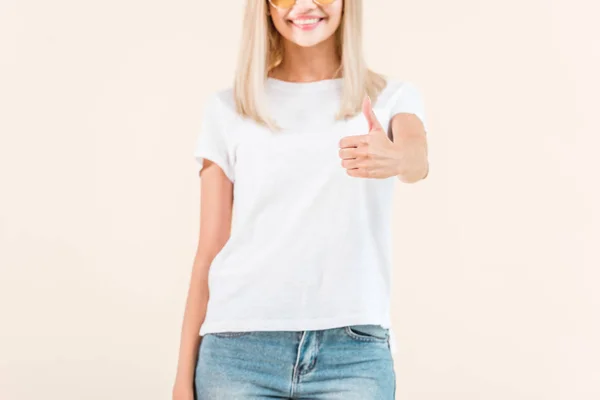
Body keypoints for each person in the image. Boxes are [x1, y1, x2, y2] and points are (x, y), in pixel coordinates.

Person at [173, 0, 429, 398]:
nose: (305, 5)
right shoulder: (227, 108)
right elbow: (210, 249)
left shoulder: (390, 98)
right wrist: (181, 379)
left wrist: (396, 157)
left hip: (354, 353)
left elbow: (417, 160)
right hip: (237, 352)